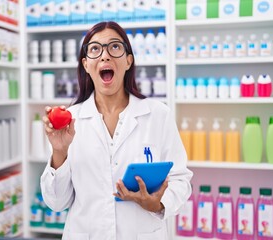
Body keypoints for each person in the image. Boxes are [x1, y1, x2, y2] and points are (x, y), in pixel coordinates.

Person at [40, 21, 193, 240]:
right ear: (85, 64)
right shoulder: (69, 121)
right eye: (95, 49)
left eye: (115, 47)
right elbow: (56, 202)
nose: (104, 56)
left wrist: (158, 203)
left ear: (128, 60)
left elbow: (180, 179)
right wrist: (59, 152)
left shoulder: (158, 115)